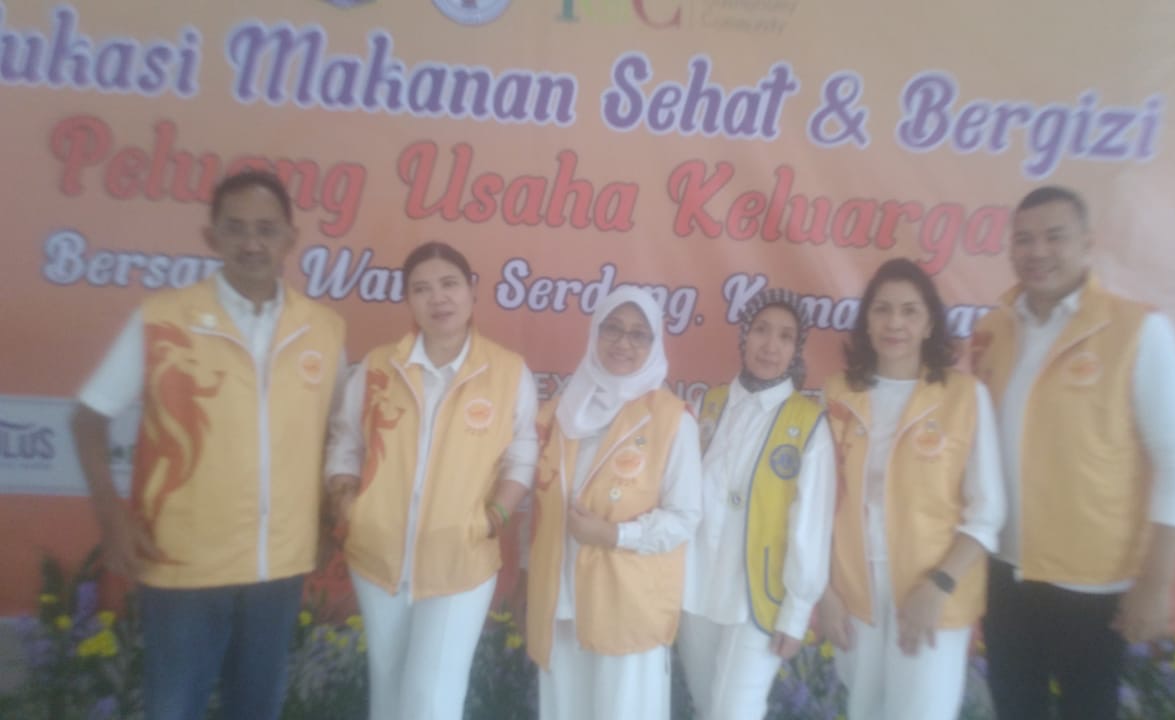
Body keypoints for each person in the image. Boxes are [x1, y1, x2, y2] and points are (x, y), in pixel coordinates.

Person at [70, 170, 347, 720]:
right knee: (175, 708)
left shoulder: (323, 328)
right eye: (236, 228)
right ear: (211, 236)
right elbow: (88, 418)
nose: (252, 243)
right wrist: (111, 516)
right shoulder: (163, 320)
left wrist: (322, 522)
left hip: (279, 563)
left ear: (290, 238)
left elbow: (334, 433)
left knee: (257, 708)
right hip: (184, 563)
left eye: (266, 229)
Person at [972, 186, 1175, 720]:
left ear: (1087, 243)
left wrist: (1156, 582)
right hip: (1004, 571)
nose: (1038, 251)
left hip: (1094, 581)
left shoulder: (1138, 329)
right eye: (1024, 239)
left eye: (1055, 236)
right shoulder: (992, 330)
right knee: (1015, 708)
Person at [324, 240, 538, 720]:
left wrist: (495, 515)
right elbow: (345, 440)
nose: (437, 298)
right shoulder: (379, 367)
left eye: (449, 284)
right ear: (408, 299)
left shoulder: (507, 372)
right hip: (378, 554)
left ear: (472, 290)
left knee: (432, 696)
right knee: (388, 685)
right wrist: (346, 500)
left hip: (460, 556)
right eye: (421, 289)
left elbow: (523, 452)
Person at [816, 257, 1005, 720]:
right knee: (864, 711)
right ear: (867, 321)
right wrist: (824, 592)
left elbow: (988, 511)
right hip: (853, 593)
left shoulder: (964, 396)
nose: (894, 323)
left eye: (909, 311)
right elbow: (814, 506)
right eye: (882, 309)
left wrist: (938, 587)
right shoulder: (837, 393)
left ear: (929, 324)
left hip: (932, 592)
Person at [524, 287, 702, 720]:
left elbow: (685, 518)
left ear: (654, 343)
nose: (623, 343)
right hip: (560, 601)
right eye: (613, 329)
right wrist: (527, 575)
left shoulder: (671, 419)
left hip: (627, 604)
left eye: (639, 334)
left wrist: (614, 534)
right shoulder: (559, 413)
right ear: (595, 333)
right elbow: (538, 506)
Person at [678, 288, 835, 720]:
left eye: (785, 336)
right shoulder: (708, 404)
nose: (770, 345)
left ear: (796, 349)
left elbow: (811, 525)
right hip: (696, 586)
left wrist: (796, 612)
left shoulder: (807, 422)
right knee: (706, 706)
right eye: (762, 330)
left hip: (758, 595)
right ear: (744, 336)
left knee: (735, 711)